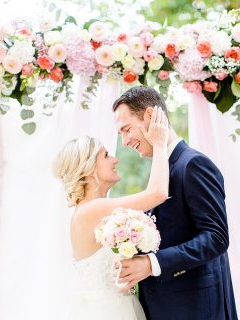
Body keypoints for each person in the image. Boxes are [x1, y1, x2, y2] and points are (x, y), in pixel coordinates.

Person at [112, 86, 238, 320]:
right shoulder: (162, 168)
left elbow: (216, 237)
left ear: (150, 116)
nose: (125, 141)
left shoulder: (193, 164)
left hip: (197, 309)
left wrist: (152, 264)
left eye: (126, 130)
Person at [54, 107, 169, 320]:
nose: (115, 159)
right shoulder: (92, 209)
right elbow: (157, 193)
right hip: (108, 311)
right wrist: (160, 143)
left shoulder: (95, 208)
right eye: (106, 155)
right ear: (88, 168)